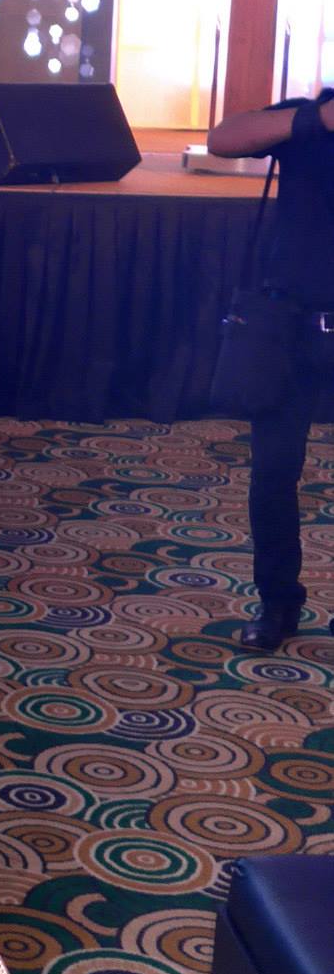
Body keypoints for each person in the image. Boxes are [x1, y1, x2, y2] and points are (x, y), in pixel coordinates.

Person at [207, 84, 334, 649]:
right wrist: (317, 120)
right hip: (288, 328)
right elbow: (223, 139)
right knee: (274, 474)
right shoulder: (308, 118)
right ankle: (278, 604)